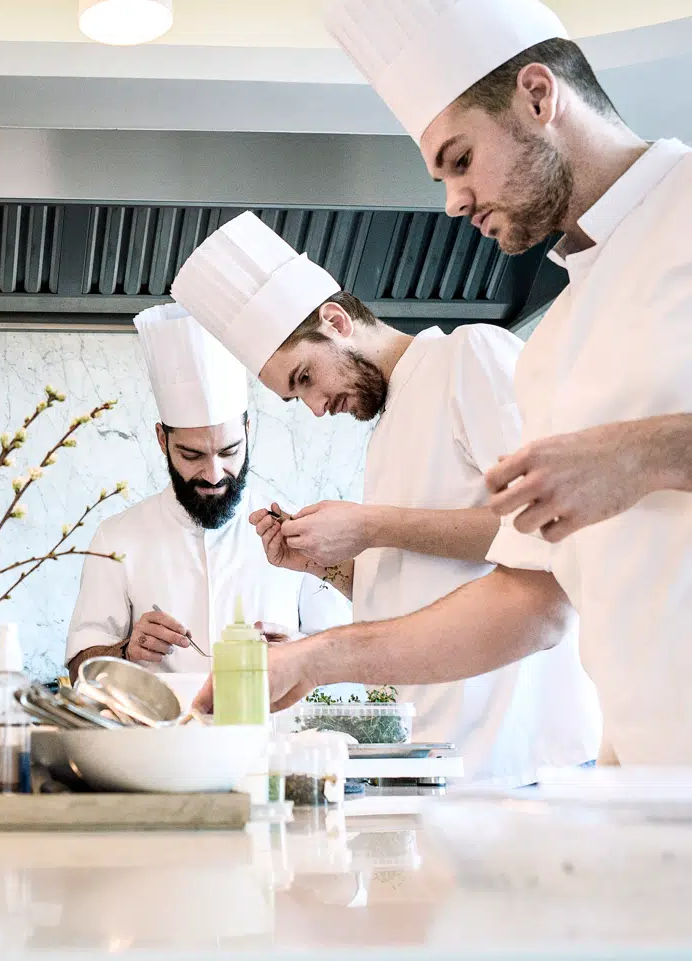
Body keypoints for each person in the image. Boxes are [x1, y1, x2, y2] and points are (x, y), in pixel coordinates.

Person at [198, 0, 692, 764]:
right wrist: (310, 657)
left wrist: (650, 453)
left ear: (538, 95)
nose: (453, 201)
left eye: (460, 160)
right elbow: (533, 601)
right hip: (641, 784)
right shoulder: (553, 346)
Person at [172, 211, 598, 784]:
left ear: (335, 321)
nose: (317, 407)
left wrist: (372, 526)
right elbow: (419, 581)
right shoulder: (385, 429)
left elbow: (550, 534)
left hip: (522, 759)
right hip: (438, 756)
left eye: (303, 378)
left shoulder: (468, 358)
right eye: (297, 398)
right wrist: (329, 567)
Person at [66, 304, 350, 682]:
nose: (214, 474)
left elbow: (342, 666)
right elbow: (78, 666)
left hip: (271, 738)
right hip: (158, 737)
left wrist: (297, 653)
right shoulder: (116, 537)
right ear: (162, 441)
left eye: (229, 451)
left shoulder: (302, 533)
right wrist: (124, 650)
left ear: (248, 431)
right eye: (192, 454)